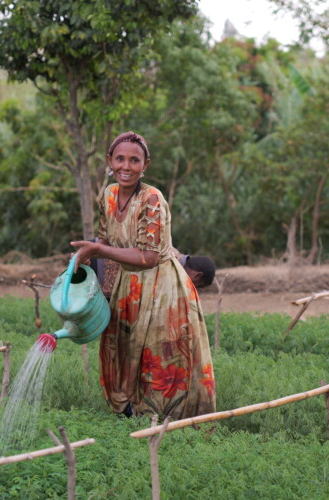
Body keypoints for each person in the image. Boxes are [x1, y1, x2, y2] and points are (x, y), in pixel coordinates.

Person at [71, 131, 216, 420]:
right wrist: (85, 257)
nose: (126, 166)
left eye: (134, 160)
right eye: (120, 159)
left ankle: (169, 425)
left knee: (160, 357)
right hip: (128, 286)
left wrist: (99, 250)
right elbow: (105, 241)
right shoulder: (109, 195)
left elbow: (148, 257)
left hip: (162, 288)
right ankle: (131, 415)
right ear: (109, 161)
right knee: (121, 349)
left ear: (145, 164)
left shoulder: (152, 198)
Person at [89, 242, 215, 299]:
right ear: (197, 275)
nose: (194, 289)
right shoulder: (171, 263)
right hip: (98, 263)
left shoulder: (173, 256)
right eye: (198, 286)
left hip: (99, 256)